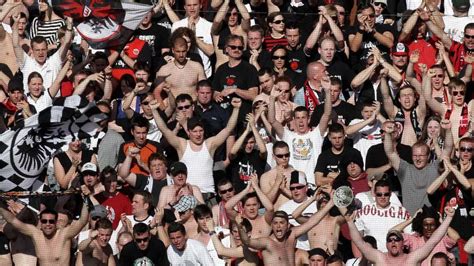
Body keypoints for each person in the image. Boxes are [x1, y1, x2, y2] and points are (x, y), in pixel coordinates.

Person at [151, 96, 241, 198]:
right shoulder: (182, 145)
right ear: (189, 133)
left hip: (209, 195)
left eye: (200, 131)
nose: (198, 134)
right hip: (188, 195)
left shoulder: (209, 144)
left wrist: (236, 109)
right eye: (194, 131)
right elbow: (164, 130)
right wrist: (154, 111)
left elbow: (228, 129)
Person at [236, 194, 335, 266]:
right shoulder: (267, 243)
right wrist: (240, 227)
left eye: (281, 223)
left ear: (288, 226)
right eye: (275, 223)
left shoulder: (291, 236)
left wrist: (330, 204)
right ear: (272, 226)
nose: (278, 226)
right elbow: (247, 241)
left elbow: (312, 222)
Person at [269, 72, 332, 184]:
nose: (301, 121)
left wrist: (327, 92)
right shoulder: (287, 135)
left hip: (312, 183)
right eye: (298, 118)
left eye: (303, 117)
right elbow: (272, 120)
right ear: (294, 119)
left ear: (308, 119)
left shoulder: (316, 134)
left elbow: (327, 114)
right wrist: (272, 98)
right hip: (293, 185)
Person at [344, 204, 456, 265]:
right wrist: (350, 222)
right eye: (390, 239)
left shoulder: (412, 259)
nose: (393, 241)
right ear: (386, 244)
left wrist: (449, 218)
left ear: (403, 243)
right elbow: (359, 242)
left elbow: (434, 240)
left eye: (397, 239)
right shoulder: (380, 258)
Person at [384, 119, 453, 214]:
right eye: (415, 156)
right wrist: (387, 134)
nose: (417, 159)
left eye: (421, 156)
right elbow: (390, 152)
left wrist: (448, 131)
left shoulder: (434, 167)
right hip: (409, 221)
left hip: (429, 220)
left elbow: (448, 148)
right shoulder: (404, 169)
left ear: (428, 156)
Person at [0, 201, 89, 265]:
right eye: (44, 221)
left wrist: (86, 199)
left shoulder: (64, 235)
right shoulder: (35, 234)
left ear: (56, 222)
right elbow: (12, 220)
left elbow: (82, 221)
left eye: (51, 221)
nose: (48, 224)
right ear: (40, 222)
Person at [353, 179, 411, 252]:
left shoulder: (402, 211)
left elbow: (411, 237)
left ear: (390, 194)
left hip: (395, 256)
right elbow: (357, 239)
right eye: (379, 194)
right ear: (375, 194)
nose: (383, 197)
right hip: (372, 256)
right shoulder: (363, 212)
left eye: (386, 194)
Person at [391, 206, 458, 266]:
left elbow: (456, 237)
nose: (429, 228)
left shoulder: (441, 239)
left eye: (432, 225)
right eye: (426, 225)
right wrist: (412, 219)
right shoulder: (414, 240)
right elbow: (392, 233)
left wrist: (442, 222)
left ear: (436, 225)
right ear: (421, 225)